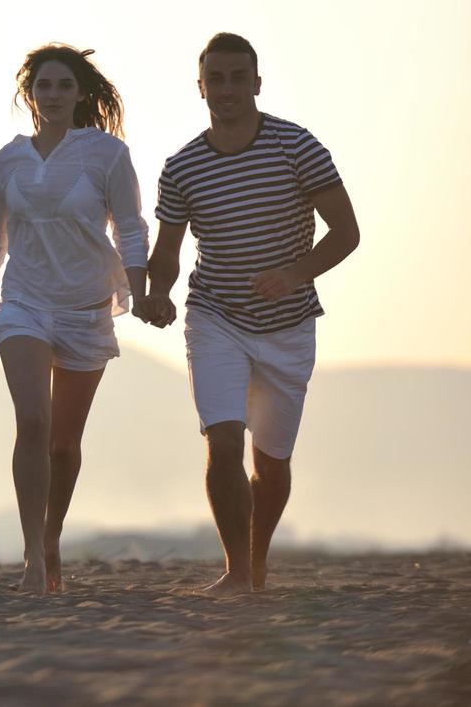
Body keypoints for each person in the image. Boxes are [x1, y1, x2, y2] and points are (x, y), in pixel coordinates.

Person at [137, 32, 358, 597]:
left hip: (288, 324)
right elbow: (168, 251)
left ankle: (256, 562)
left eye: (239, 78)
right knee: (224, 439)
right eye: (217, 79)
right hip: (215, 316)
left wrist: (294, 274)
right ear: (201, 86)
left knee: (273, 461)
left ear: (257, 83)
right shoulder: (182, 166)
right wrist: (157, 293)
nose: (227, 89)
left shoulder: (297, 146)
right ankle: (237, 571)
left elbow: (347, 232)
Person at [0, 45, 149, 594]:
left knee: (63, 444)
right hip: (24, 303)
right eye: (43, 86)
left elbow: (130, 228)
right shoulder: (10, 159)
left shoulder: (107, 155)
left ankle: (51, 539)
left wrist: (142, 291)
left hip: (85, 309)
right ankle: (31, 557)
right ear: (30, 95)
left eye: (63, 86)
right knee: (34, 423)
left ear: (80, 94)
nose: (53, 95)